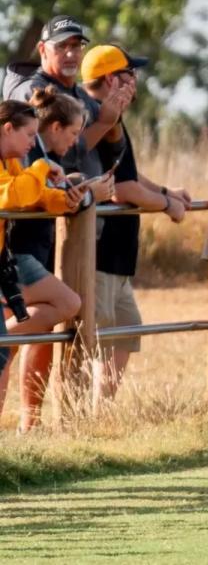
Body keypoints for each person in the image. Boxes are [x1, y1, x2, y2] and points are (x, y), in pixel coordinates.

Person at [79, 45, 190, 400]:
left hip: (117, 257)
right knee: (87, 340)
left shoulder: (112, 117)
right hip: (97, 252)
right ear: (112, 79)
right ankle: (73, 421)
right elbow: (120, 190)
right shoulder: (93, 117)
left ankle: (101, 415)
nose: (136, 81)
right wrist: (167, 204)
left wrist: (164, 189)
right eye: (130, 74)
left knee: (125, 330)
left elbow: (126, 173)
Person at [0, 99, 90, 428]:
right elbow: (13, 197)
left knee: (66, 304)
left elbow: (32, 196)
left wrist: (63, 200)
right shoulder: (18, 165)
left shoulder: (11, 163)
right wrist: (42, 167)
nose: (30, 143)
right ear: (7, 128)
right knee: (67, 303)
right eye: (28, 135)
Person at [3, 16, 131, 183]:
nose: (70, 53)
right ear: (42, 49)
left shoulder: (82, 95)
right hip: (50, 201)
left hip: (91, 202)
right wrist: (103, 125)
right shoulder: (31, 91)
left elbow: (115, 155)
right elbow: (53, 153)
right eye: (61, 46)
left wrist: (115, 119)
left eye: (76, 45)